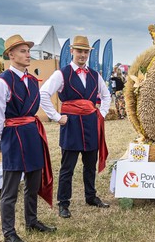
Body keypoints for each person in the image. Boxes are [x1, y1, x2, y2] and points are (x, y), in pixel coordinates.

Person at [0, 34, 56, 242]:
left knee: (33, 182)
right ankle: (9, 232)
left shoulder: (32, 80)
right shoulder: (1, 82)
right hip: (13, 134)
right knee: (10, 188)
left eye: (28, 51)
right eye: (23, 51)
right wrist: (6, 138)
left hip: (32, 133)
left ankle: (31, 221)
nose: (28, 55)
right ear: (11, 55)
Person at [39, 35, 111, 219]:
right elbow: (43, 94)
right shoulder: (61, 74)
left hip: (91, 124)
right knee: (67, 167)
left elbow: (106, 96)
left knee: (90, 165)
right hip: (71, 125)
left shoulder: (95, 75)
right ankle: (63, 203)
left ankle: (91, 196)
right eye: (79, 51)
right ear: (72, 51)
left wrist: (102, 114)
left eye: (86, 52)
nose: (83, 55)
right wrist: (56, 117)